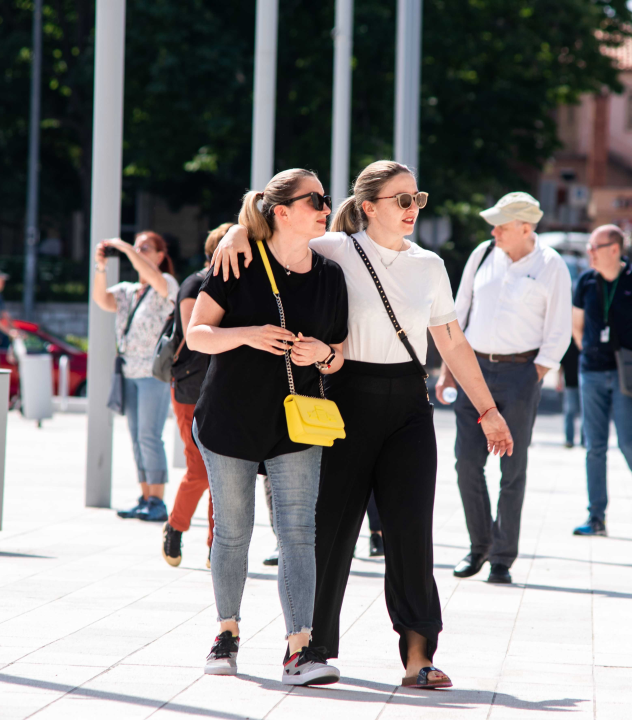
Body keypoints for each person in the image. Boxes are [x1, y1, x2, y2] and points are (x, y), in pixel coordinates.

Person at [212, 160, 514, 689]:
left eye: (417, 198)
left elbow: (452, 342)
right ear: (369, 206)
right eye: (402, 199)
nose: (412, 208)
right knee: (329, 531)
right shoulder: (333, 248)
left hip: (410, 406)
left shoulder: (429, 265)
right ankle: (312, 647)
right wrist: (238, 232)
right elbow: (275, 227)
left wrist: (488, 411)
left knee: (411, 532)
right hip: (346, 399)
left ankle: (418, 655)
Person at [188, 168, 349, 685]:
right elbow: (197, 335)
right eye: (315, 200)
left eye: (326, 199)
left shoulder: (330, 275)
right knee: (233, 531)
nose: (326, 208)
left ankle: (299, 649)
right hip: (230, 416)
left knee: (298, 532)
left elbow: (340, 354)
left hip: (298, 422)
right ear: (281, 211)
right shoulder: (238, 260)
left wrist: (322, 353)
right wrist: (248, 334)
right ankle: (226, 633)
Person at [437, 192, 572, 584]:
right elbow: (457, 314)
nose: (493, 232)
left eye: (501, 225)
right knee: (466, 463)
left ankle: (502, 557)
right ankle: (479, 546)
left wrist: (532, 377)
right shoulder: (482, 254)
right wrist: (448, 370)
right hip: (472, 369)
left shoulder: (551, 265)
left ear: (526, 228)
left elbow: (559, 331)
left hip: (520, 374)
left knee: (512, 470)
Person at [570, 225, 632, 537]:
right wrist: (590, 353)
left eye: (594, 247)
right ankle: (596, 517)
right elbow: (577, 326)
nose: (589, 253)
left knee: (628, 441)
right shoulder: (586, 280)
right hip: (592, 371)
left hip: (629, 373)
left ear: (614, 249)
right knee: (594, 446)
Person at [92, 231, 179, 523]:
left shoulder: (166, 284)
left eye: (146, 248)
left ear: (160, 255)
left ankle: (157, 500)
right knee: (136, 437)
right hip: (128, 372)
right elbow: (102, 300)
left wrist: (128, 249)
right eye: (138, 247)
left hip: (153, 373)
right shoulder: (128, 291)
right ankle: (144, 497)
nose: (140, 252)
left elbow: (151, 275)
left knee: (149, 436)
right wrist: (101, 266)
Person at [162, 224, 232, 568]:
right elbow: (195, 337)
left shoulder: (239, 285)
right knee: (200, 469)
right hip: (192, 388)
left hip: (227, 390)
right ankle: (175, 527)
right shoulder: (195, 283)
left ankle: (215, 546)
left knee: (225, 472)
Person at [559, 341, 582, 448]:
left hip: (584, 383)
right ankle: (569, 440)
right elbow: (561, 365)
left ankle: (585, 440)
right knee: (569, 412)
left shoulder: (584, 341)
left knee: (585, 413)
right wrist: (559, 380)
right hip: (569, 383)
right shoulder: (567, 343)